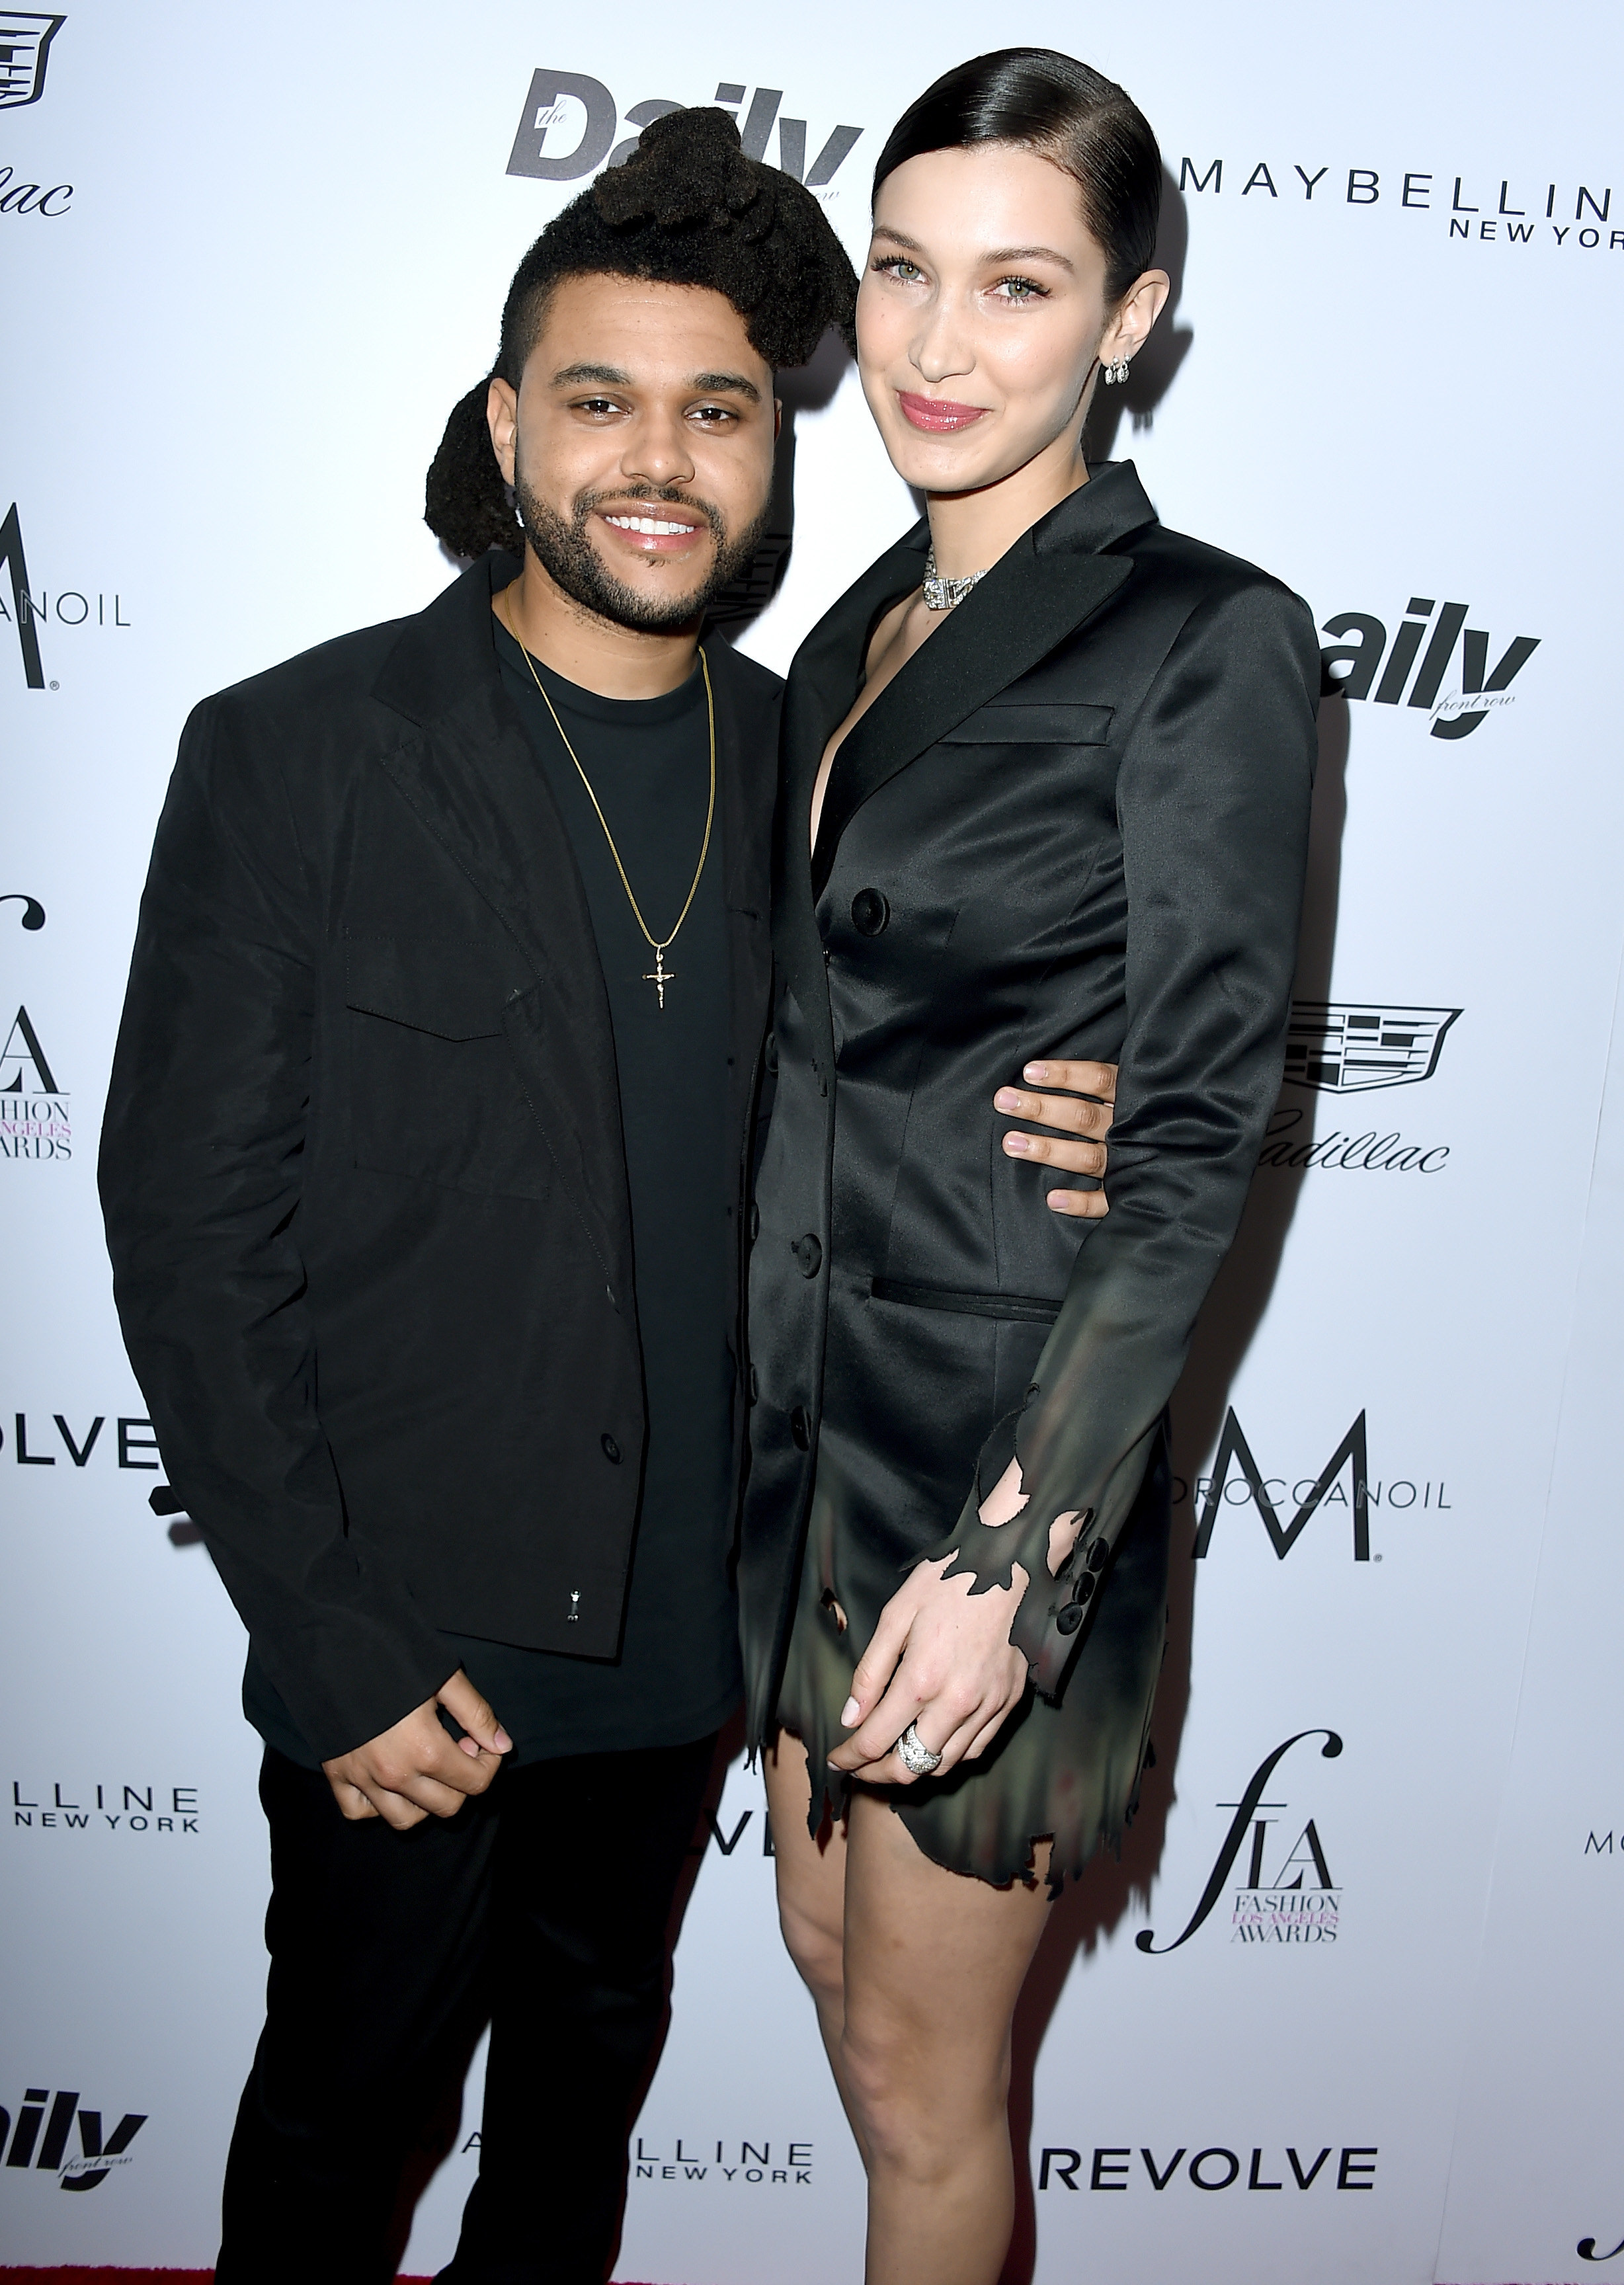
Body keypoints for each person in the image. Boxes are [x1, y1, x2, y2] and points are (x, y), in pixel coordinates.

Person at [99, 106, 1112, 2284]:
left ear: (777, 451)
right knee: (336, 2135)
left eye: (719, 411)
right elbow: (186, 1230)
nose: (659, 460)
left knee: (575, 2139)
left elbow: (946, 1068)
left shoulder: (824, 760)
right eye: (602, 402)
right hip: (414, 1656)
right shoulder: (298, 751)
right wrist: (329, 1642)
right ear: (508, 425)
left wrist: (1121, 1112)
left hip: (692, 1647)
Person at [740, 48, 1321, 2285]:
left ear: (1131, 317)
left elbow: (1183, 1150)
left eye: (1018, 285)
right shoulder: (843, 642)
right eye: (902, 271)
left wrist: (1019, 1556)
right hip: (806, 1461)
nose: (937, 343)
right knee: (838, 1994)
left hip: (998, 1479)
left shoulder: (1205, 641)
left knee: (918, 2088)